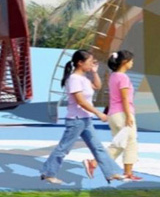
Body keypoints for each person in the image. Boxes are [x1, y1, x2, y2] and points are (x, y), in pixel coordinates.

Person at [39, 49, 127, 185]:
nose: (92, 64)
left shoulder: (84, 79)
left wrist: (94, 72)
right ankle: (48, 173)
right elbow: (81, 101)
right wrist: (98, 113)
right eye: (90, 62)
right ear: (80, 63)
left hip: (85, 119)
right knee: (64, 148)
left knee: (98, 147)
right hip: (76, 120)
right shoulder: (74, 79)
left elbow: (97, 86)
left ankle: (111, 173)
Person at [105, 50, 141, 180]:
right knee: (131, 142)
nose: (132, 63)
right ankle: (128, 173)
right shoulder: (123, 77)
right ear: (124, 62)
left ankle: (95, 162)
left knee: (119, 144)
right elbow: (124, 98)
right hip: (122, 114)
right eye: (131, 60)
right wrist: (129, 116)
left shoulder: (113, 76)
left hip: (113, 114)